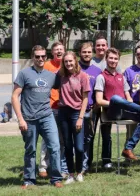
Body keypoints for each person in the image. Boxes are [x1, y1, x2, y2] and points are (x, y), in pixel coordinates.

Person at [95, 48, 140, 162]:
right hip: (111, 111)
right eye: (111, 58)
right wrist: (115, 102)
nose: (113, 60)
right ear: (106, 59)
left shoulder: (121, 77)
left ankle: (128, 148)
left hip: (124, 111)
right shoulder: (101, 77)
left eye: (115, 58)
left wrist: (129, 105)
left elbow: (128, 97)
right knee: (115, 98)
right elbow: (99, 101)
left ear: (118, 60)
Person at [11, 45, 63, 189]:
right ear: (32, 58)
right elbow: (15, 97)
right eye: (37, 56)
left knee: (55, 146)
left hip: (47, 116)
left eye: (43, 56)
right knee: (31, 150)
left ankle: (56, 178)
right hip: (29, 119)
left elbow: (65, 84)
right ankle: (29, 180)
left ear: (46, 57)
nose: (40, 59)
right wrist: (20, 119)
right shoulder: (24, 74)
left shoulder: (51, 76)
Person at [58, 51, 90, 184]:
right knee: (67, 145)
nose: (68, 64)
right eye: (66, 62)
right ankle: (71, 174)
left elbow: (85, 98)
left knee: (79, 147)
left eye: (70, 61)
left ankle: (79, 172)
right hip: (63, 113)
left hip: (77, 113)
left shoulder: (83, 76)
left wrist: (80, 118)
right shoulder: (60, 75)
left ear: (75, 61)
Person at [90, 34, 121, 169]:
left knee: (107, 135)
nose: (101, 47)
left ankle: (106, 160)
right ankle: (88, 162)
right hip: (91, 105)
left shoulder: (113, 62)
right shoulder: (90, 62)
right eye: (98, 45)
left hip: (106, 106)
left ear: (107, 46)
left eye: (103, 45)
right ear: (94, 47)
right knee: (89, 135)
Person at [39, 41, 68, 178]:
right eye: (56, 49)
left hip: (63, 107)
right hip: (49, 107)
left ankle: (58, 167)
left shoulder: (67, 65)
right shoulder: (46, 66)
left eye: (61, 49)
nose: (59, 52)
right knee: (47, 138)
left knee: (61, 140)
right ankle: (43, 167)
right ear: (52, 52)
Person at [78, 42, 102, 174]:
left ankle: (86, 165)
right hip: (76, 109)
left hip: (91, 110)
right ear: (80, 53)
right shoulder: (75, 67)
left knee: (89, 138)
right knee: (77, 138)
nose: (86, 54)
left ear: (92, 53)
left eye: (89, 52)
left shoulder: (97, 71)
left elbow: (99, 90)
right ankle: (77, 164)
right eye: (84, 52)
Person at [124, 45, 140, 161]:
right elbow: (124, 89)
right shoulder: (129, 71)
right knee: (130, 133)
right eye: (138, 53)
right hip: (133, 106)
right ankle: (128, 158)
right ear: (135, 55)